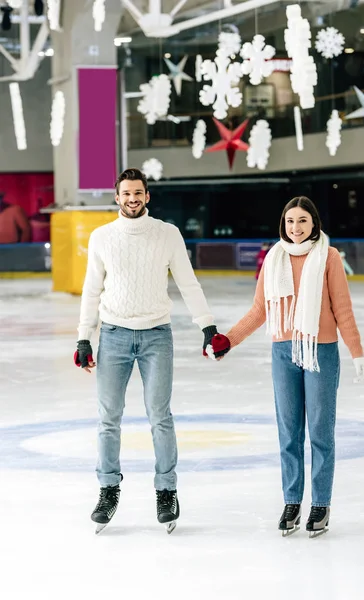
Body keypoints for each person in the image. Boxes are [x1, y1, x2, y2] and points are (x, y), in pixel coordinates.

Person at [74, 167, 228, 533]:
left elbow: (188, 283)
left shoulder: (167, 234)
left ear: (147, 196)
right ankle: (108, 489)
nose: (132, 199)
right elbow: (91, 289)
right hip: (113, 335)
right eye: (126, 193)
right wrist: (84, 337)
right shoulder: (102, 237)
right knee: (109, 417)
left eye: (138, 193)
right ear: (117, 197)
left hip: (157, 335)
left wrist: (207, 326)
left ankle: (166, 490)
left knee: (160, 415)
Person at [215, 196, 364, 537]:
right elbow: (259, 312)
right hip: (283, 352)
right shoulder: (275, 259)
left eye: (301, 221)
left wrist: (356, 351)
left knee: (320, 432)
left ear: (314, 223)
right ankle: (292, 501)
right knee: (289, 433)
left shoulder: (328, 257)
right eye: (289, 222)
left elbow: (342, 309)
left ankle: (320, 504)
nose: (295, 228)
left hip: (320, 352)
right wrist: (229, 339)